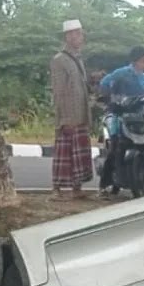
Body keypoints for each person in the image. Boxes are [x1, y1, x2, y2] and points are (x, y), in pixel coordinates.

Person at [97, 46, 144, 196]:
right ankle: (104, 184)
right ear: (136, 60)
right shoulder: (121, 73)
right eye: (143, 60)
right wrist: (110, 98)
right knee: (116, 145)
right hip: (119, 115)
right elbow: (104, 83)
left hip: (139, 117)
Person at [50, 19, 94, 201]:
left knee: (79, 153)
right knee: (65, 153)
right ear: (68, 36)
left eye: (80, 34)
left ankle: (77, 188)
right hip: (68, 115)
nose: (80, 37)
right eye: (76, 34)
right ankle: (57, 190)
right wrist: (64, 118)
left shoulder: (78, 58)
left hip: (81, 112)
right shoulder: (59, 60)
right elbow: (59, 91)